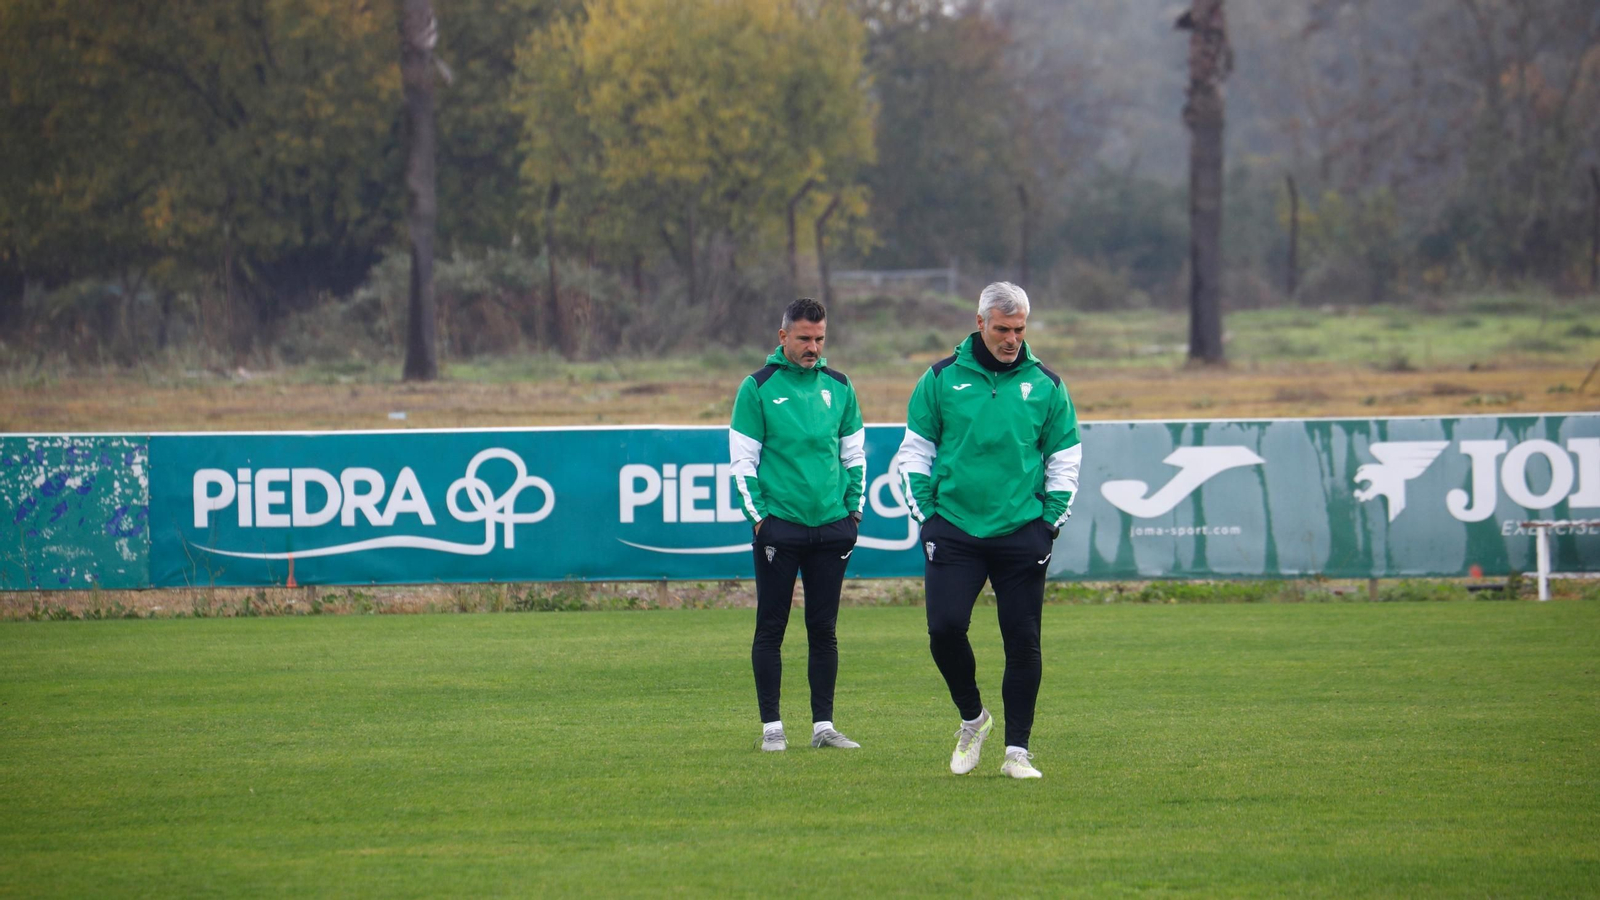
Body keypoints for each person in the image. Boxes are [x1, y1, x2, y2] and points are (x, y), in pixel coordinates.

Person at [894, 282, 1081, 779]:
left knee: (1023, 641)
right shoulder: (939, 379)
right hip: (954, 529)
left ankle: (1017, 752)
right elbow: (914, 453)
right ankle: (973, 719)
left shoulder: (1046, 383)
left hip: (1023, 530)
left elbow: (1064, 457)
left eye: (1019, 329)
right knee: (944, 630)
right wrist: (928, 518)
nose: (1012, 339)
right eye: (1002, 329)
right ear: (980, 324)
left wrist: (1050, 525)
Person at [729, 297, 867, 752]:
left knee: (823, 629)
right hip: (780, 528)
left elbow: (853, 456)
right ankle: (772, 728)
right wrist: (760, 520)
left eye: (820, 338)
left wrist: (854, 513)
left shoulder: (840, 386)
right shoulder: (757, 387)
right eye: (804, 338)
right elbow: (743, 462)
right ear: (783, 336)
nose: (813, 347)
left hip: (832, 526)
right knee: (771, 626)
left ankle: (823, 726)